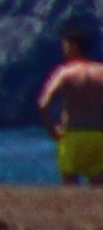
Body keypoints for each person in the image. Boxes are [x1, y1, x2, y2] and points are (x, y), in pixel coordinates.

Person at [43, 24, 103, 185]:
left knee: (70, 187)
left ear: (75, 47)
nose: (64, 50)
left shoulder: (65, 73)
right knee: (99, 188)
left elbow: (44, 103)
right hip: (99, 135)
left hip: (72, 134)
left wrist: (52, 130)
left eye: (66, 46)